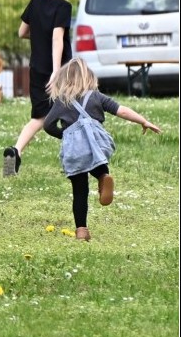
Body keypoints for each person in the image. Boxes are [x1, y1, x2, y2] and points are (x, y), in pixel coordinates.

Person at [43, 58, 161, 241]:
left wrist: (64, 135)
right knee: (97, 161)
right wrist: (143, 121)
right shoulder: (96, 96)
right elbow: (121, 110)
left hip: (75, 151)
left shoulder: (62, 101)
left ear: (63, 80)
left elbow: (48, 125)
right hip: (95, 145)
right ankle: (103, 176)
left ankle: (81, 230)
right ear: (90, 77)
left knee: (80, 191)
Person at [2, 0, 74, 176]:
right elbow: (57, 38)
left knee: (39, 118)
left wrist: (39, 36)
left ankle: (16, 150)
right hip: (60, 72)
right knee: (72, 113)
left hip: (36, 69)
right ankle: (75, 159)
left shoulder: (35, 2)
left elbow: (22, 32)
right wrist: (56, 71)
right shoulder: (63, 7)